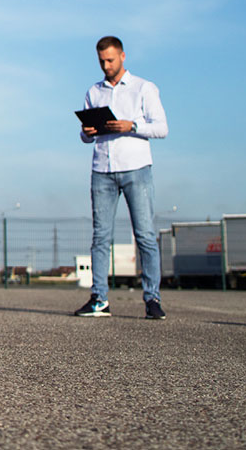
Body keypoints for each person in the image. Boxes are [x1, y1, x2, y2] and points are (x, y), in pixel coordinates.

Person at [75, 36, 169, 319]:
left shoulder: (144, 88)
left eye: (111, 60)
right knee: (100, 237)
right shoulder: (94, 91)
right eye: (102, 61)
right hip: (102, 171)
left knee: (145, 236)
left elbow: (162, 128)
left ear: (123, 56)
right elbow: (83, 136)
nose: (106, 65)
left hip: (136, 169)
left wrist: (132, 125)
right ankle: (99, 299)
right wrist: (87, 132)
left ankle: (152, 300)